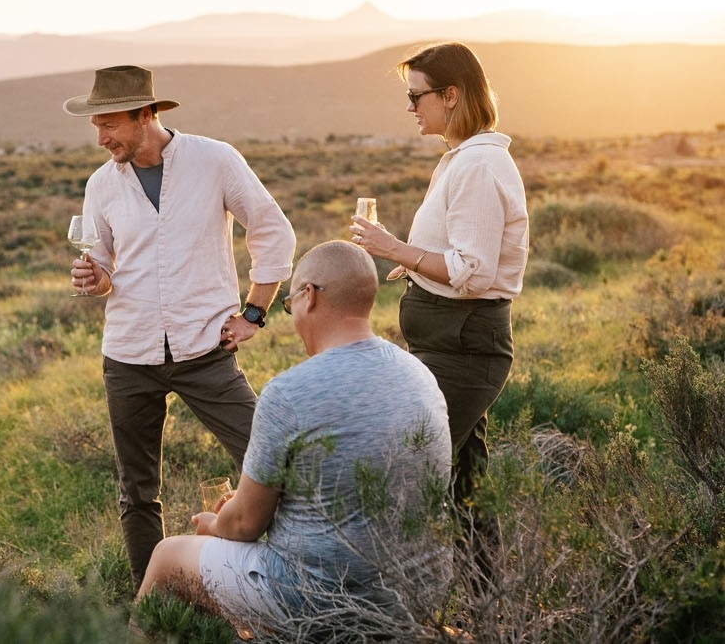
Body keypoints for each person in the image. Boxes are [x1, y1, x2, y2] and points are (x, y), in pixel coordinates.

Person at [137, 241, 453, 636]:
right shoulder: (420, 375)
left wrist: (215, 524)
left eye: (288, 305)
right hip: (419, 593)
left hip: (321, 599)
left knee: (168, 555)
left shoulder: (290, 393)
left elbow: (245, 526)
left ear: (309, 296)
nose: (292, 316)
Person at [64, 64, 297, 590]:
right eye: (95, 127)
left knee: (267, 459)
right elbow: (102, 266)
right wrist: (94, 276)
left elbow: (271, 229)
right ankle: (154, 602)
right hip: (128, 355)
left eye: (111, 125)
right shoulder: (101, 185)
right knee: (137, 490)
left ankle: (278, 580)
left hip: (205, 349)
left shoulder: (214, 160)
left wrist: (255, 311)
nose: (101, 139)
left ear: (146, 115)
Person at [350, 42, 528, 509]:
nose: (409, 107)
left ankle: (395, 578)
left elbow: (471, 269)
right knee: (466, 481)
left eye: (416, 96)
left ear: (451, 95)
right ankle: (484, 583)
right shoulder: (462, 159)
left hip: (464, 346)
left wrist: (394, 249)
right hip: (450, 342)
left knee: (407, 468)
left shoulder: (478, 165)